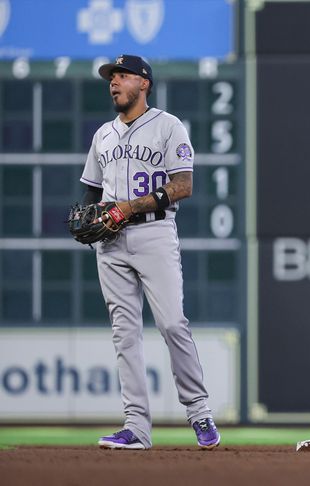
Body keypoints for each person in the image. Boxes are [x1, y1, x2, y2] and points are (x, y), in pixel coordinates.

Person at [79, 54, 220, 450]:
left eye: (122, 76)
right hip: (110, 242)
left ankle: (199, 411)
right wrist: (89, 216)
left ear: (144, 83)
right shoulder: (103, 135)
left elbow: (183, 186)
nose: (114, 82)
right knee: (125, 334)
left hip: (154, 233)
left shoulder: (168, 125)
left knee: (173, 323)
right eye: (111, 77)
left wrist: (130, 206)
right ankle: (136, 427)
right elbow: (92, 189)